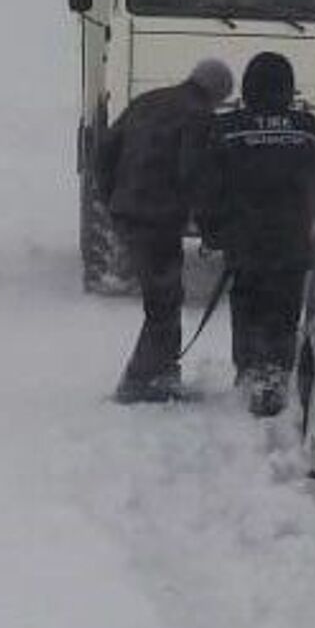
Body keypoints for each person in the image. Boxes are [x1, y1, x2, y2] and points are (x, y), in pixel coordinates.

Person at [93, 57, 235, 404]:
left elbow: (103, 153)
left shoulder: (147, 101)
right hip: (158, 216)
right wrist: (212, 228)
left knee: (165, 297)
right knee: (164, 300)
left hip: (129, 211)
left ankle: (163, 374)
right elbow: (195, 175)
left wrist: (113, 196)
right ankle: (141, 380)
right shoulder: (199, 118)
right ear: (217, 92)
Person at [197, 51, 315, 416]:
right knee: (285, 307)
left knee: (247, 304)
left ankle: (250, 370)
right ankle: (276, 373)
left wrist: (213, 232)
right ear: (288, 87)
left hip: (246, 240)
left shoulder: (228, 128)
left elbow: (210, 187)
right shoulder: (305, 127)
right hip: (292, 240)